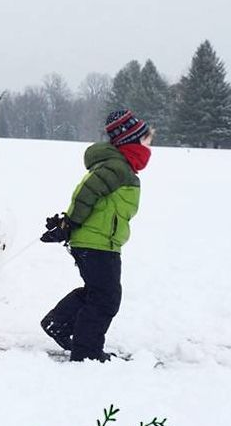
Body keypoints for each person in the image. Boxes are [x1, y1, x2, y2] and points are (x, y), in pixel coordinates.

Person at [39, 110, 154, 362]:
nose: (150, 145)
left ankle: (58, 323)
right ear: (130, 141)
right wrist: (68, 224)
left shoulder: (119, 167)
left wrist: (68, 223)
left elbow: (90, 198)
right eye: (146, 139)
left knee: (99, 293)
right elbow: (85, 194)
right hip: (97, 244)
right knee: (105, 298)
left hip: (100, 242)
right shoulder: (116, 168)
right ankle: (86, 352)